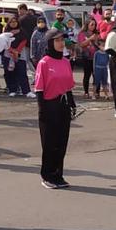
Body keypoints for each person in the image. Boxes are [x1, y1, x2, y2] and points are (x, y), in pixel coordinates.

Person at [34, 28, 75, 189]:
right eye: (57, 40)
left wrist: (72, 104)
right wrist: (42, 110)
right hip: (48, 105)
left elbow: (69, 87)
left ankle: (58, 175)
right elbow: (39, 89)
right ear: (50, 42)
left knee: (61, 142)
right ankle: (47, 176)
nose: (61, 43)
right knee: (49, 143)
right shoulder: (44, 62)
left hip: (63, 104)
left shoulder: (65, 61)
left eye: (62, 40)